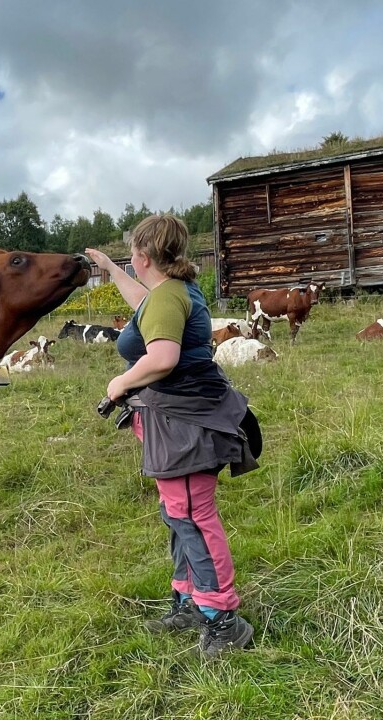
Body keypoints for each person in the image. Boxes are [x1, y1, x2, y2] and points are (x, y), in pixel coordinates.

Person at [85, 214, 259, 659]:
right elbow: (143, 299)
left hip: (186, 424)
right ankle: (189, 601)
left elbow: (162, 357)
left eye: (130, 256)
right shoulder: (171, 291)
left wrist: (120, 384)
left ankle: (222, 619)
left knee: (193, 516)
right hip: (181, 420)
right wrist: (108, 266)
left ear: (143, 256)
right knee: (176, 513)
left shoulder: (168, 297)